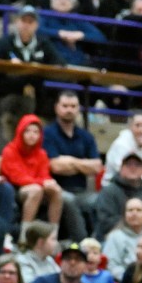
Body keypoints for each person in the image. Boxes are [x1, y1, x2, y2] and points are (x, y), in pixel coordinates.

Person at [0, 5, 63, 121]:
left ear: (36, 25)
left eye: (30, 22)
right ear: (17, 22)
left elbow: (60, 66)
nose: (26, 25)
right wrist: (7, 68)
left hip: (38, 97)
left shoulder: (44, 44)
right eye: (23, 20)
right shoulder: (4, 43)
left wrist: (40, 69)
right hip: (7, 94)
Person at [44, 90, 102, 240]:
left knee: (101, 199)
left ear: (78, 109)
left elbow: (96, 167)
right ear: (56, 107)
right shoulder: (48, 133)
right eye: (65, 106)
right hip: (55, 190)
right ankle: (82, 242)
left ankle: (98, 242)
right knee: (68, 200)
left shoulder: (86, 136)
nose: (69, 110)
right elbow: (55, 166)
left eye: (73, 106)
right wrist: (83, 164)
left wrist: (69, 161)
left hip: (82, 191)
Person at [1, 114, 63, 227]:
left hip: (37, 186)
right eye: (28, 131)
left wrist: (49, 182)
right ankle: (25, 235)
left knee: (56, 190)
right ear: (21, 132)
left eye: (36, 132)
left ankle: (53, 232)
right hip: (15, 189)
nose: (32, 135)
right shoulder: (9, 150)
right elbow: (17, 177)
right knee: (36, 190)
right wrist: (42, 182)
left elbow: (44, 174)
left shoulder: (42, 153)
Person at [92, 152, 142, 239]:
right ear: (120, 169)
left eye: (137, 165)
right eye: (128, 164)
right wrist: (132, 223)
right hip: (112, 240)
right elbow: (104, 222)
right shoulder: (108, 192)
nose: (133, 168)